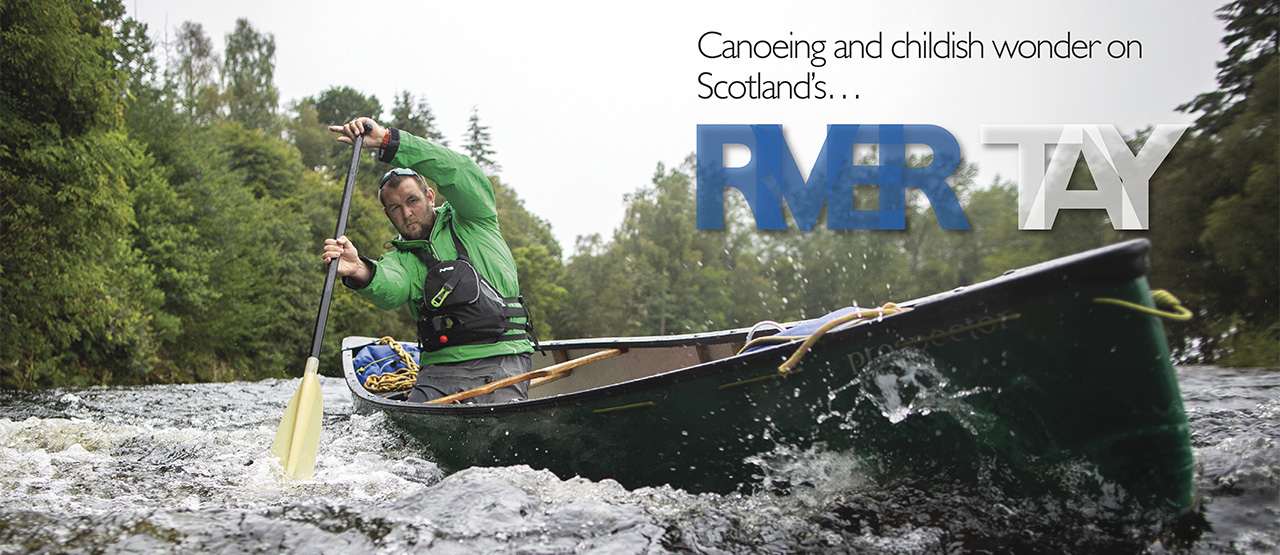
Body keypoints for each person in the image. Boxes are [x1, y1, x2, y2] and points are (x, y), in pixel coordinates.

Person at [324, 117, 534, 403]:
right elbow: (390, 285)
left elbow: (460, 171)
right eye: (396, 208)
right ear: (387, 214)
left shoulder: (475, 219)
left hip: (502, 360)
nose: (407, 214)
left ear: (430, 196)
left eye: (413, 201)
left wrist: (388, 140)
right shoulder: (400, 260)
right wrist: (359, 269)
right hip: (437, 373)